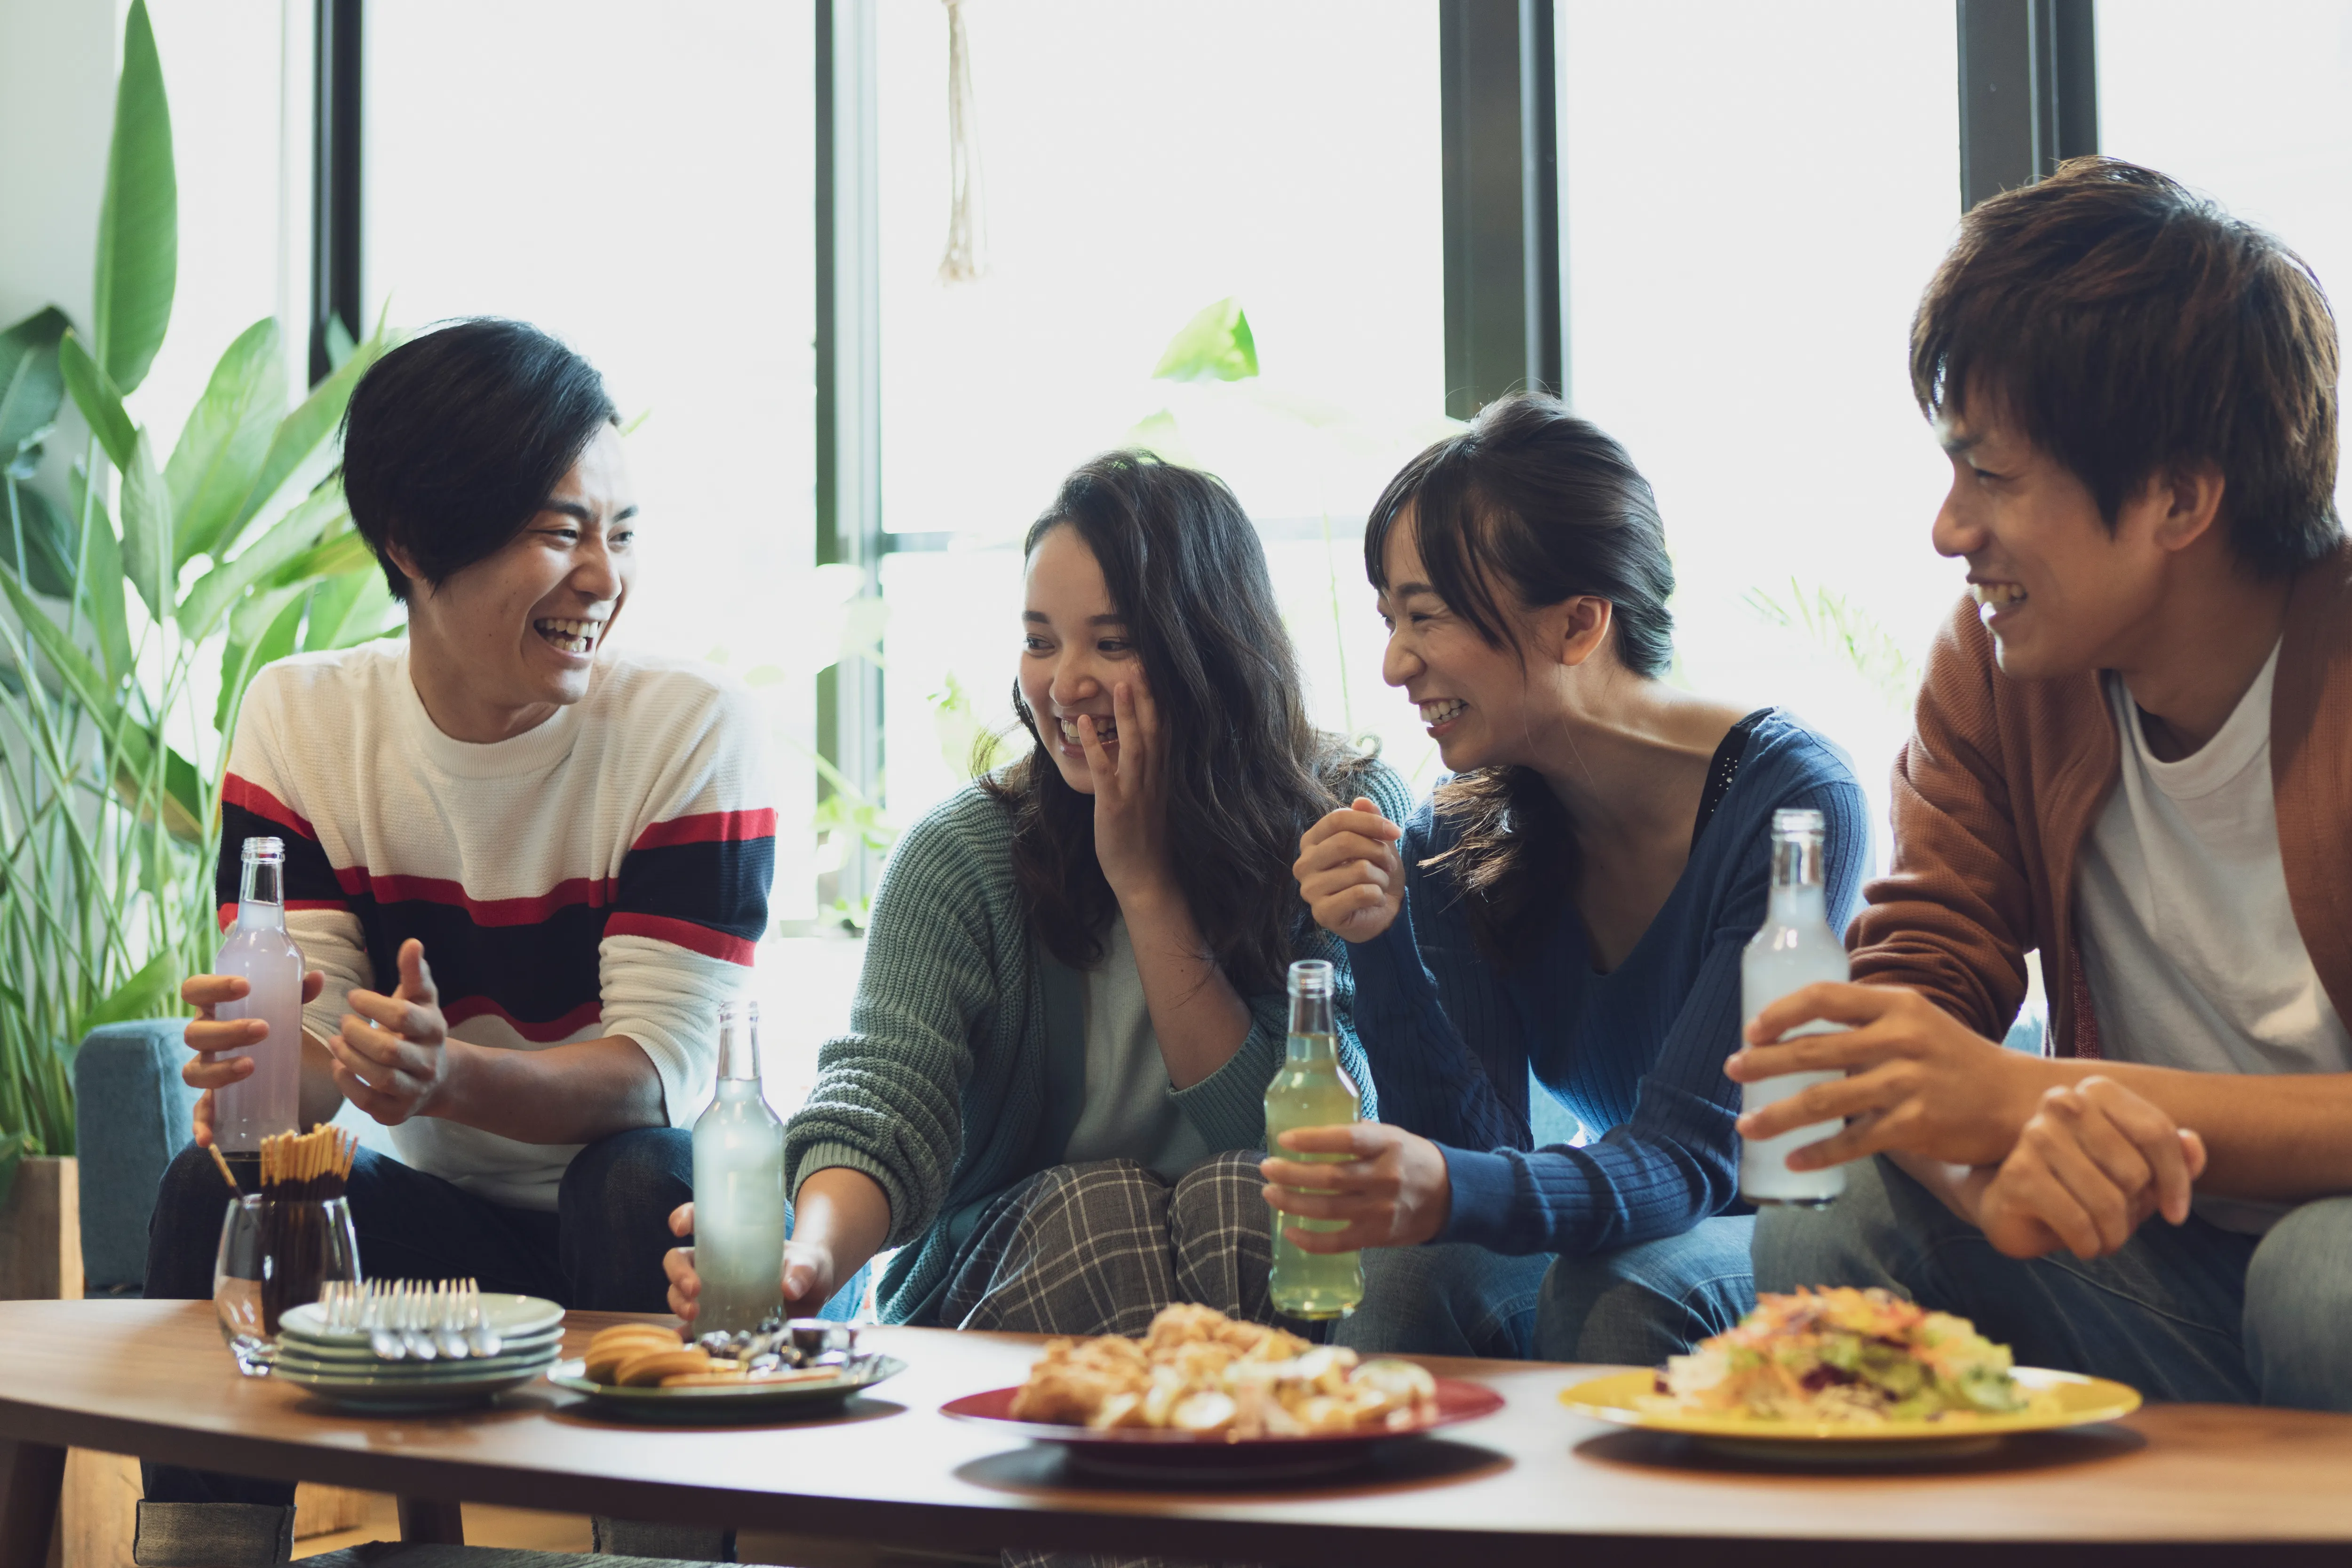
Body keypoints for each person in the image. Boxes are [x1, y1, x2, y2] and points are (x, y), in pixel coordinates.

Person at [139, 319, 773, 1567]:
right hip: (444, 1225)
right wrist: (277, 1055)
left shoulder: (690, 729)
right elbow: (322, 1065)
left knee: (636, 1175)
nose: (604, 576)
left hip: (683, 1234)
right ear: (415, 545)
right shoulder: (302, 718)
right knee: (216, 1181)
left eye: (621, 532)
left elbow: (661, 1072)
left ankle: (661, 1555)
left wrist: (451, 1073)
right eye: (559, 531)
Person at [1732, 158, 2352, 1411]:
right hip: (2140, 1259)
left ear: (2179, 497)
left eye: (1992, 477)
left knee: (2319, 1274)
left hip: (2324, 1259)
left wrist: (2031, 1095)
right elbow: (1909, 1007)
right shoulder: (2001, 662)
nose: (1950, 529)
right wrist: (1990, 1174)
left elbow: (1996, 1080)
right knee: (1833, 1215)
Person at [662, 452, 1409, 1339]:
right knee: (1104, 1212)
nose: (1064, 685)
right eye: (1041, 640)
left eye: (1113, 642)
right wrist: (808, 1259)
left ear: (1206, 645)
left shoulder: (1332, 819)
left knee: (1241, 1197)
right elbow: (883, 1099)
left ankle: (1237, 1462)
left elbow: (1314, 1142)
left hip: (1260, 1255)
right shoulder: (964, 853)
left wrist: (1147, 886)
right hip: (1014, 1275)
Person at [1264, 394, 1867, 1363]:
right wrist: (1376, 945)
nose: (1392, 663)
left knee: (1628, 1291)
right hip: (1657, 1203)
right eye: (1388, 618)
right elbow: (1476, 1142)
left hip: (1802, 1224)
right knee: (1408, 1272)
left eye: (1425, 616)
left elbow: (1694, 1156)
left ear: (1579, 622)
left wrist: (1452, 1186)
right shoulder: (1460, 832)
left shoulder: (1792, 803)